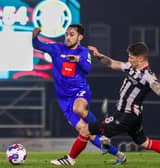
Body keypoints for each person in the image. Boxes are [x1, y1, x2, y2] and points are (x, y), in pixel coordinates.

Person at [32, 24, 126, 166]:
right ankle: (119, 155)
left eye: (72, 34)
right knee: (85, 131)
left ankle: (102, 131)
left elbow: (88, 69)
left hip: (79, 92)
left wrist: (78, 60)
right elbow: (38, 45)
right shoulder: (56, 48)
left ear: (80, 37)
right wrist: (34, 35)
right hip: (64, 99)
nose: (68, 37)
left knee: (80, 109)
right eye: (67, 34)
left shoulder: (83, 52)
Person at [79, 42, 160, 158]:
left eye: (131, 57)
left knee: (91, 129)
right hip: (126, 114)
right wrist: (99, 56)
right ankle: (106, 140)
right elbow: (112, 63)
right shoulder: (130, 67)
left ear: (140, 58)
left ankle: (104, 142)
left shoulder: (148, 75)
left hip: (128, 115)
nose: (129, 59)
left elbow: (158, 91)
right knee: (144, 142)